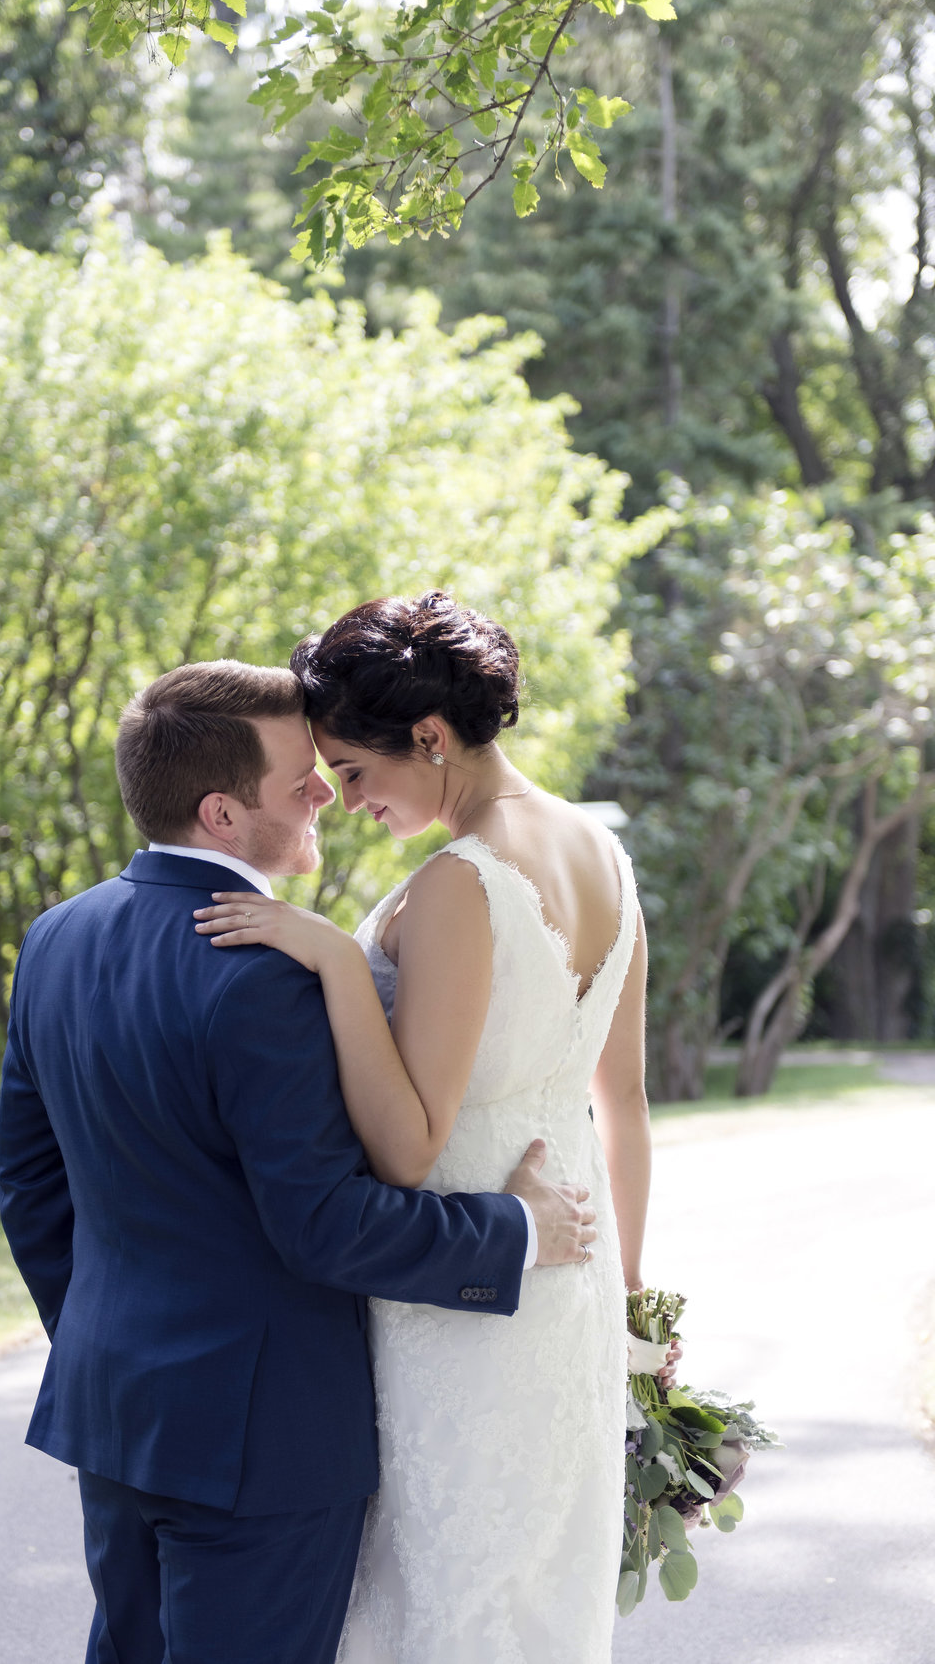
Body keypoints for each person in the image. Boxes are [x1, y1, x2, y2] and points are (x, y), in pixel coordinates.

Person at [0, 659, 598, 1664]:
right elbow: (328, 1223)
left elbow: (29, 1186)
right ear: (223, 815)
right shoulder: (264, 975)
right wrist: (523, 1228)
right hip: (260, 1446)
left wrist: (113, 1338)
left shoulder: (56, 938)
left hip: (114, 1412)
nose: (327, 787)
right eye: (300, 780)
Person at [194, 593, 652, 1663]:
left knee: (447, 1599)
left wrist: (340, 960)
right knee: (531, 1597)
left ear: (433, 738)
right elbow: (622, 1106)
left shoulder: (462, 882)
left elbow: (407, 1146)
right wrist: (635, 1306)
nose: (346, 799)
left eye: (354, 769)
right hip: (568, 1301)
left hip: (461, 1305)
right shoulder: (603, 852)